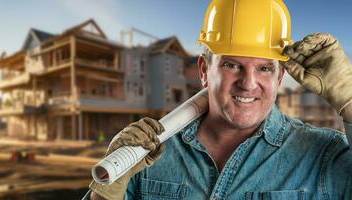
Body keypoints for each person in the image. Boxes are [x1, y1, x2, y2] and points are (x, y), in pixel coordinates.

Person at [84, 0, 352, 199]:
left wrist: (350, 101)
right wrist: (110, 185)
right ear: (204, 70)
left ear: (280, 77)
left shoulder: (324, 155)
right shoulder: (149, 153)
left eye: (265, 68)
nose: (248, 83)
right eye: (232, 65)